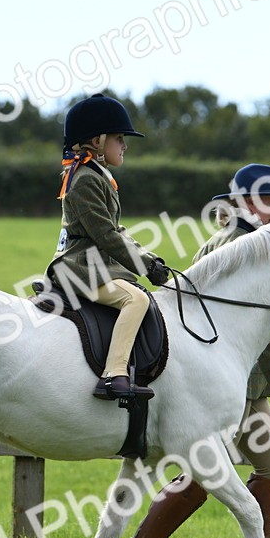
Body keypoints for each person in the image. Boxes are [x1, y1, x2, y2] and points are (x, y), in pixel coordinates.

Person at [103, 163, 270, 538]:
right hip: (227, 382)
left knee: (237, 470)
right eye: (267, 202)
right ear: (244, 202)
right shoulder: (241, 244)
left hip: (237, 380)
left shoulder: (237, 241)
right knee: (243, 469)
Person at [47, 94, 170, 400]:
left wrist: (150, 259)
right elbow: (106, 235)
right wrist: (143, 267)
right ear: (97, 141)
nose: (124, 146)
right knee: (135, 300)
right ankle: (113, 375)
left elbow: (117, 230)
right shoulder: (85, 180)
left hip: (95, 265)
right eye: (119, 138)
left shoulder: (97, 177)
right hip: (79, 269)